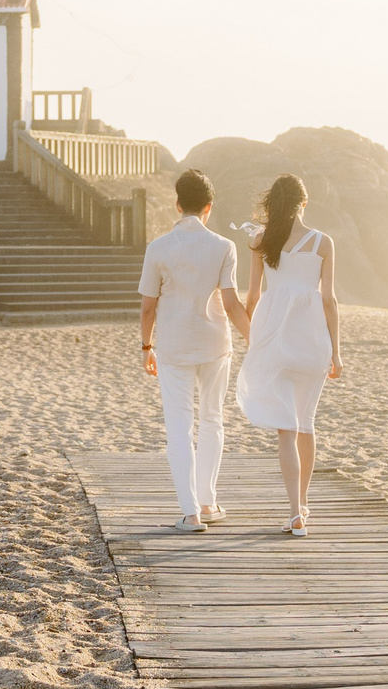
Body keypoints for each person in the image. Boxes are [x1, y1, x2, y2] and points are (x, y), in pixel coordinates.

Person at [138, 168, 250, 533]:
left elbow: (147, 307)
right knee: (212, 419)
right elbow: (233, 305)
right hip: (216, 344)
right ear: (208, 207)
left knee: (179, 428)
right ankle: (209, 501)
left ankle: (190, 513)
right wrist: (256, 340)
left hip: (172, 346)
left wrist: (145, 346)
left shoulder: (158, 248)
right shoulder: (223, 246)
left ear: (177, 204)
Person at [235, 173, 341, 535]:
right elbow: (328, 300)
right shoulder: (323, 242)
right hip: (312, 340)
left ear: (273, 205)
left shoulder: (261, 240)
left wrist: (255, 338)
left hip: (275, 339)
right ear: (303, 204)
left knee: (287, 429)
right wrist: (337, 352)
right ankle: (303, 504)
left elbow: (251, 296)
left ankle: (296, 510)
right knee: (306, 423)